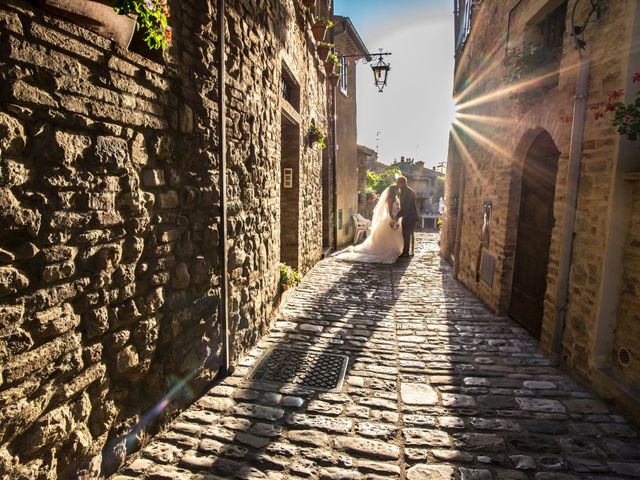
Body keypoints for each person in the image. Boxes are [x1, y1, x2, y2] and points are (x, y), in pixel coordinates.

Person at [334, 186, 403, 264]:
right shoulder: (390, 199)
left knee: (394, 236)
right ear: (393, 191)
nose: (398, 191)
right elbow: (389, 211)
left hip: (396, 218)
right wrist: (393, 219)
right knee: (388, 236)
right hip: (390, 219)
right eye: (397, 190)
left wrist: (397, 214)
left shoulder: (396, 198)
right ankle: (386, 250)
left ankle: (395, 249)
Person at [395, 176, 418, 257]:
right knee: (407, 234)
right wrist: (398, 216)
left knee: (407, 234)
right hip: (407, 215)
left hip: (410, 216)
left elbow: (407, 207)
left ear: (402, 183)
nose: (397, 185)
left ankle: (406, 252)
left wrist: (399, 216)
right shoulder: (404, 191)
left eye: (398, 183)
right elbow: (403, 207)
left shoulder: (409, 192)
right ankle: (409, 251)